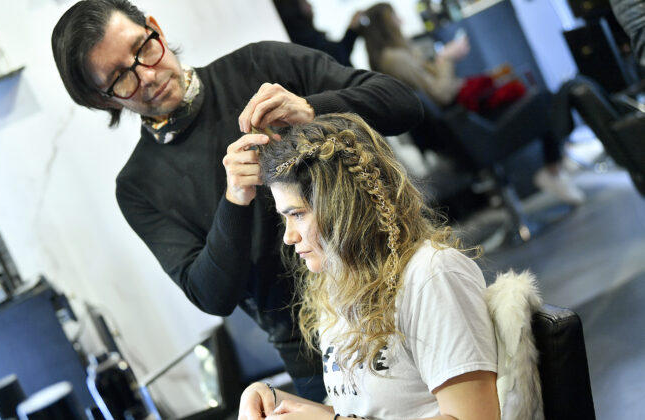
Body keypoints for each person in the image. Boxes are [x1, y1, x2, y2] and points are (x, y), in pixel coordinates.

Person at [51, 0, 422, 401]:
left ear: (155, 28)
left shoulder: (259, 66)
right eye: (121, 77)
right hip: (314, 352)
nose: (146, 74)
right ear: (103, 99)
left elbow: (403, 103)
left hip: (400, 289)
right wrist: (234, 200)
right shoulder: (140, 186)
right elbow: (212, 295)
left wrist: (314, 109)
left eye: (143, 48)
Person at [238, 113, 500, 420]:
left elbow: (474, 417)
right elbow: (370, 412)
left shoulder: (431, 275)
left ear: (341, 208)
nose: (288, 236)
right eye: (285, 218)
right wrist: (278, 403)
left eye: (297, 214)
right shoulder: (337, 285)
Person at [360, 2, 586, 206]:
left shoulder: (395, 57)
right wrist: (446, 58)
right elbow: (442, 94)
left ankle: (556, 162)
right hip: (466, 129)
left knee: (536, 96)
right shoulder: (396, 59)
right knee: (543, 99)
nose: (402, 21)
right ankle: (553, 166)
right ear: (385, 25)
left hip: (463, 124)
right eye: (395, 18)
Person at [273, 0, 365, 67]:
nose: (310, 5)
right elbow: (339, 56)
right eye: (304, 2)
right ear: (294, 8)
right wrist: (352, 30)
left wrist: (352, 29)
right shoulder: (307, 42)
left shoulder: (301, 40)